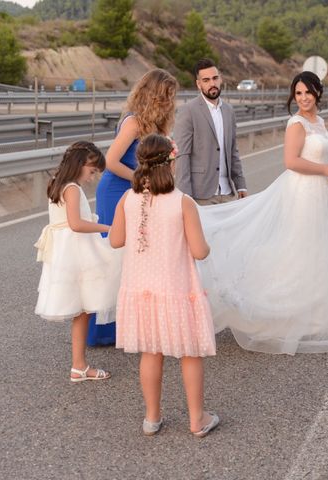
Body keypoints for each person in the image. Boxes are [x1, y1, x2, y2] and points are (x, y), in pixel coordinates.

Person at [196, 71, 328, 354]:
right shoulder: (296, 123)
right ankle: (285, 312)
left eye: (308, 92)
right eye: (298, 94)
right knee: (299, 248)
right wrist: (325, 169)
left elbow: (319, 154)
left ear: (318, 92)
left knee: (317, 250)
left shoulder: (319, 122)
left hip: (319, 193)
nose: (303, 98)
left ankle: (317, 313)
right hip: (302, 193)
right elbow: (291, 161)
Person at [109, 134, 219, 437]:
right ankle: (197, 418)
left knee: (151, 352)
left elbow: (116, 240)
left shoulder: (127, 199)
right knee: (189, 353)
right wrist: (207, 245)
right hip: (176, 290)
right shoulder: (182, 202)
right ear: (171, 162)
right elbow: (199, 251)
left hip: (141, 291)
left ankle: (152, 417)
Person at [88, 69, 178, 346]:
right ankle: (104, 329)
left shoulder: (157, 126)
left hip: (137, 191)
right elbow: (111, 161)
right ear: (152, 95)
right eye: (165, 96)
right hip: (117, 190)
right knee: (114, 257)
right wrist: (141, 179)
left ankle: (131, 322)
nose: (170, 102)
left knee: (138, 253)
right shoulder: (134, 123)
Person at [34, 141, 121, 382]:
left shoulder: (56, 182)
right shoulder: (72, 188)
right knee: (83, 308)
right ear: (80, 164)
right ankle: (79, 365)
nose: (92, 177)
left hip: (66, 250)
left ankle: (79, 365)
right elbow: (76, 223)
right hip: (76, 250)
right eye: (92, 171)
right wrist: (108, 228)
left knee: (81, 310)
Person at [174, 58, 247, 205]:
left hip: (227, 193)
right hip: (201, 195)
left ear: (220, 79)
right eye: (206, 80)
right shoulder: (188, 111)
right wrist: (185, 197)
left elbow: (233, 151)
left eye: (215, 78)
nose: (212, 84)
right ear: (198, 84)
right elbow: (182, 156)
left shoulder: (228, 110)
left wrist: (241, 184)